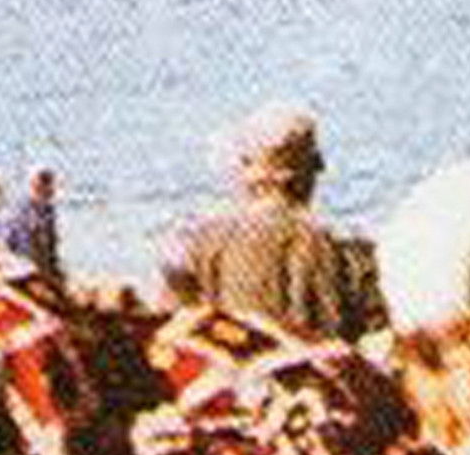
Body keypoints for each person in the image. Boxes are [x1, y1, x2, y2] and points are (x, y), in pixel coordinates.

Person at [157, 104, 385, 341]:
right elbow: (377, 338)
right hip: (318, 362)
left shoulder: (197, 244)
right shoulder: (349, 250)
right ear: (314, 166)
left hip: (234, 361)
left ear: (247, 168)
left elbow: (171, 332)